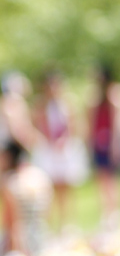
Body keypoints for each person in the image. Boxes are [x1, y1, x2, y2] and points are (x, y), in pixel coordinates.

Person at [31, 70, 88, 231]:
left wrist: (65, 140)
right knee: (47, 189)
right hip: (48, 150)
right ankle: (47, 224)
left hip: (65, 149)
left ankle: (66, 223)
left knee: (66, 187)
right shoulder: (41, 104)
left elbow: (74, 125)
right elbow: (35, 126)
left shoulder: (68, 103)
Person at [0, 141, 53, 256]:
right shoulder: (41, 176)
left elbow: (10, 225)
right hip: (42, 239)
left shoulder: (10, 182)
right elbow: (48, 215)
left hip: (22, 245)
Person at [88, 63, 120, 226]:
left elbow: (116, 120)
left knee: (111, 178)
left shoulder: (113, 91)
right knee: (102, 177)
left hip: (110, 141)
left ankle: (113, 211)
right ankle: (106, 212)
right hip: (99, 141)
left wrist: (115, 144)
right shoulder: (96, 94)